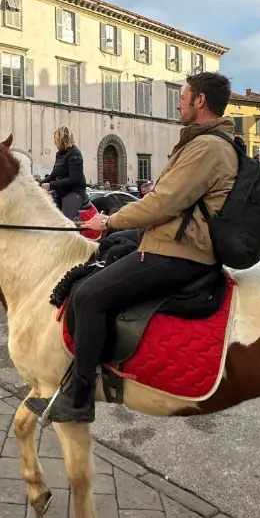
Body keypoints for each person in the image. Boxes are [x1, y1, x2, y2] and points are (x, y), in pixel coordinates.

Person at [50, 72, 237, 424]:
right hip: (169, 241)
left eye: (183, 97)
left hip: (180, 252)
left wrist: (107, 221)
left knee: (88, 296)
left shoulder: (208, 146)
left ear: (199, 101)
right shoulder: (201, 142)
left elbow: (164, 204)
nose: (178, 103)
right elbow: (171, 199)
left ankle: (81, 398)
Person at [45, 126, 87, 221]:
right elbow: (53, 175)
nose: (54, 141)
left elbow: (74, 179)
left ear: (62, 138)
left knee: (66, 221)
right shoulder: (59, 154)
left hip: (74, 192)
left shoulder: (75, 154)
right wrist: (37, 184)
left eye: (56, 138)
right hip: (61, 192)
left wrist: (51, 185)